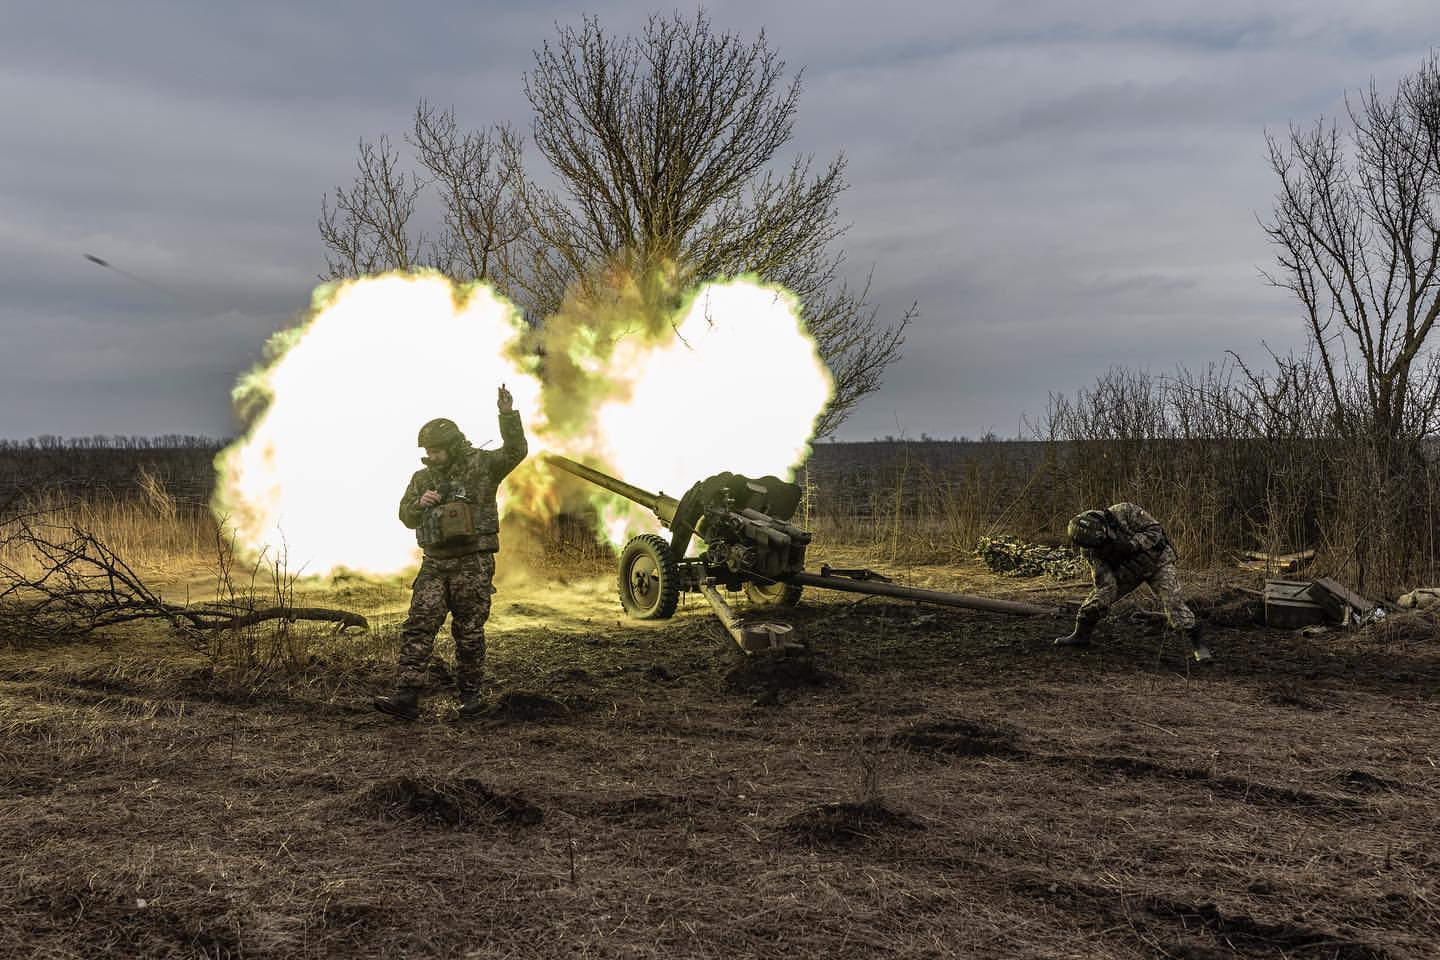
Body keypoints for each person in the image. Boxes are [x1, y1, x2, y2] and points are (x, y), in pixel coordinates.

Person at [374, 385, 528, 720]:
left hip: (472, 563)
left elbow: (516, 450)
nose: (431, 455)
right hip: (434, 563)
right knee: (418, 626)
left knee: (468, 632)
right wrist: (420, 503)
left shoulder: (483, 465)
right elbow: (405, 515)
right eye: (427, 450)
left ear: (453, 446)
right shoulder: (421, 478)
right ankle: (406, 698)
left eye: (437, 450)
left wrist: (507, 415)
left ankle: (470, 700)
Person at [1055, 503, 1212, 662]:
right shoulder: (1091, 551)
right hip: (1128, 572)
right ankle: (1081, 635)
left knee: (1172, 601)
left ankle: (1198, 645)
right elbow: (1104, 582)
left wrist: (1133, 544)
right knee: (1099, 599)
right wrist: (1101, 601)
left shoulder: (1124, 511)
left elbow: (1155, 530)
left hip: (1158, 562)